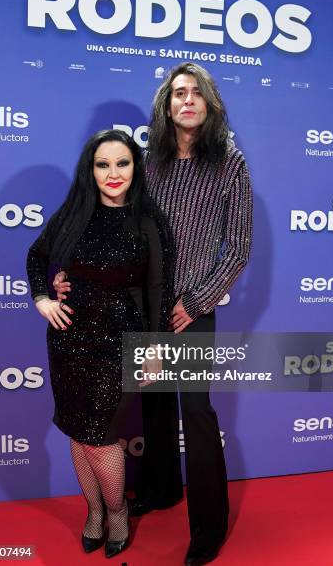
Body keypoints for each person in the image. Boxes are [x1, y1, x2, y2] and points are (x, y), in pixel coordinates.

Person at [55, 62, 253, 565]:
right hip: (144, 303)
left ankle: (207, 528)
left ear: (209, 103)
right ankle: (162, 488)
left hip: (192, 307)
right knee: (154, 404)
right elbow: (114, 223)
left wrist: (195, 301)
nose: (187, 100)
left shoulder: (229, 161)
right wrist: (74, 275)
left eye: (196, 93)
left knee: (196, 413)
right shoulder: (148, 161)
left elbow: (239, 247)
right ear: (167, 106)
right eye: (177, 93)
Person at [26, 129, 173, 559]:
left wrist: (155, 349)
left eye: (122, 163)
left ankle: (117, 512)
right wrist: (42, 298)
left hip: (122, 341)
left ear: (135, 168)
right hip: (69, 339)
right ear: (90, 170)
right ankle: (94, 513)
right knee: (77, 430)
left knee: (102, 437)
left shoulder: (148, 219)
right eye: (103, 164)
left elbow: (158, 291)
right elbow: (37, 255)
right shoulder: (75, 212)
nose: (113, 173)